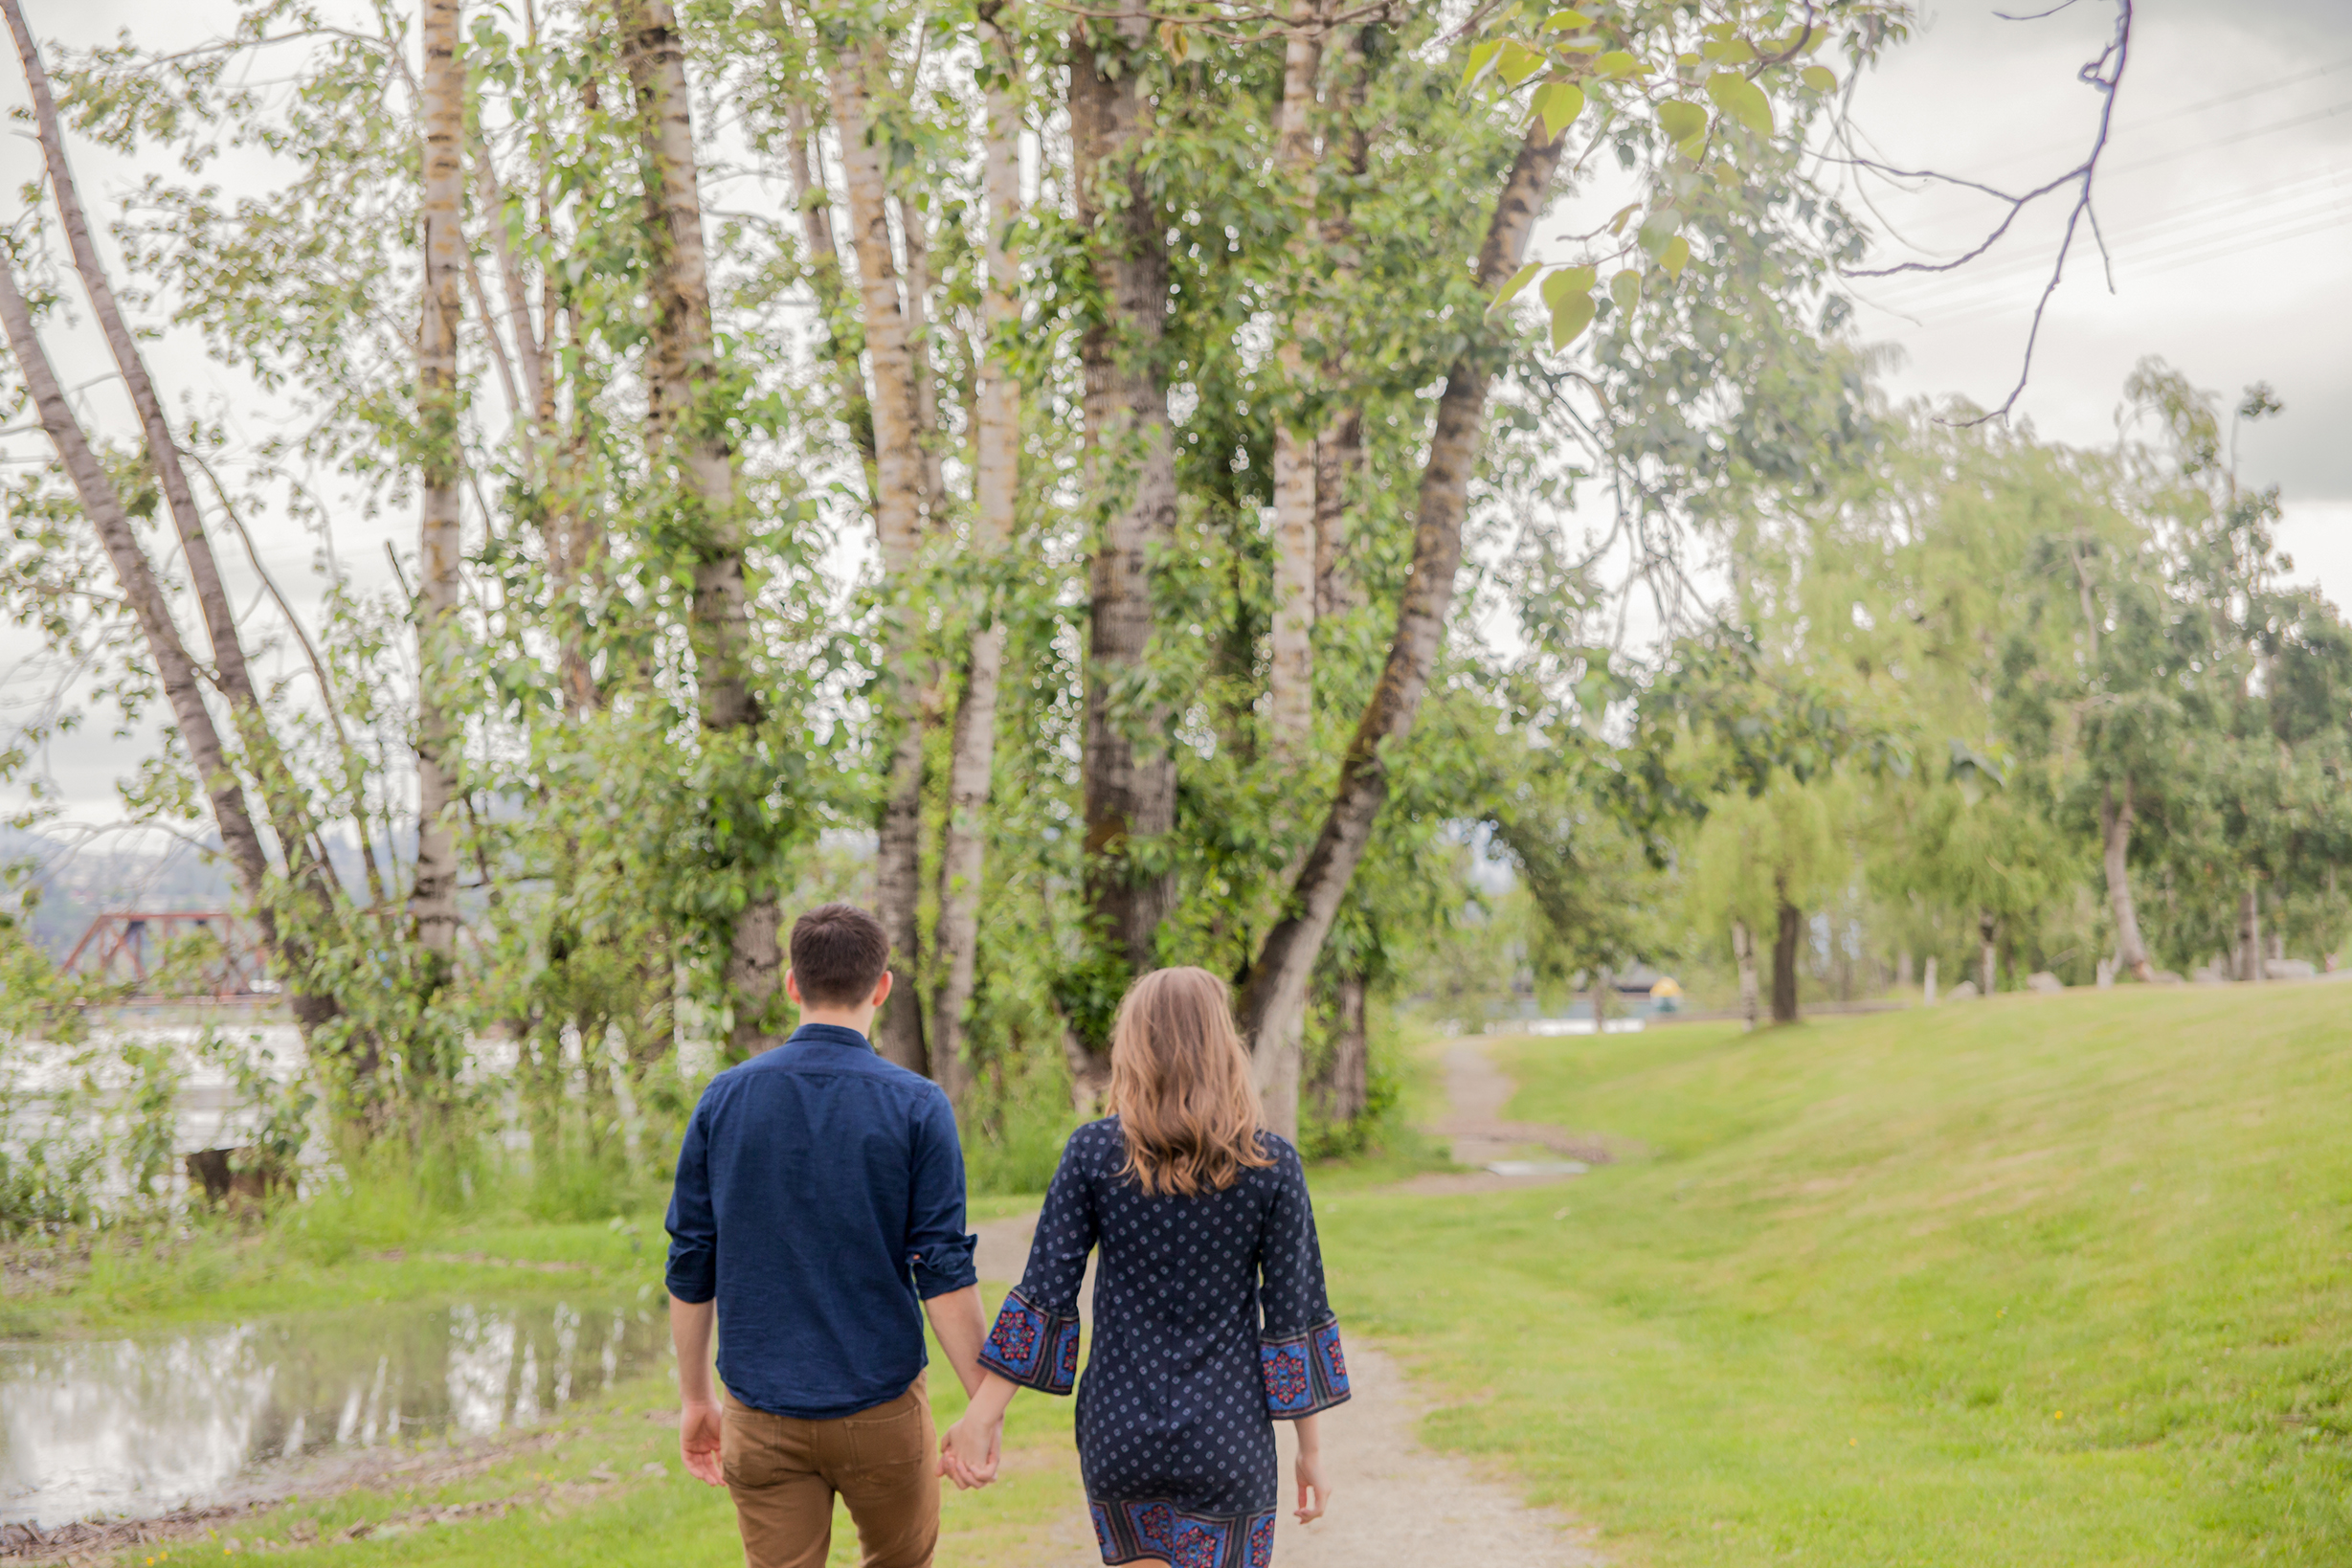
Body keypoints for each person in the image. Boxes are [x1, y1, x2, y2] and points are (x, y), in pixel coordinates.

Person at [942, 966, 1349, 1568]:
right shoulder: (1271, 1163)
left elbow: (1045, 1295)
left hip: (1119, 1431)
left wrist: (981, 1415)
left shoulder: (1092, 1153)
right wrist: (1309, 1449)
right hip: (1228, 1436)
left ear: (1134, 1045)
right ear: (1223, 1046)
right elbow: (1293, 1316)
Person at [665, 903, 987, 1568]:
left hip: (760, 1411)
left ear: (791, 985)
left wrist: (696, 1398)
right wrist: (985, 1407)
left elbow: (691, 1260)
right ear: (882, 987)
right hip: (883, 1409)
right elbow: (942, 1266)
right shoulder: (917, 1105)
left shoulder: (722, 1100)